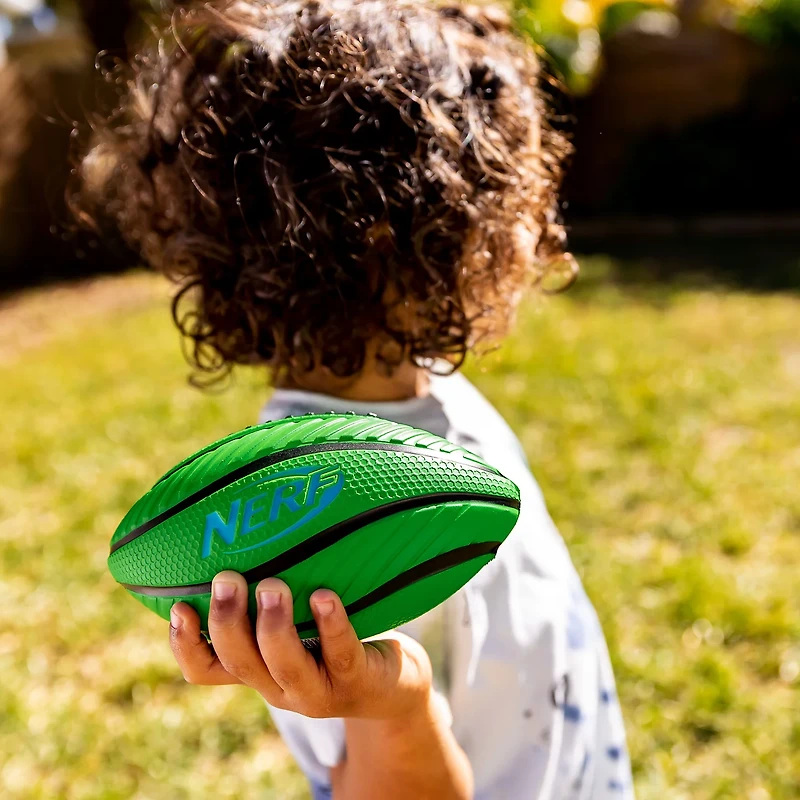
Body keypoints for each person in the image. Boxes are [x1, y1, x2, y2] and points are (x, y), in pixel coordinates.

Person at [75, 1, 633, 797]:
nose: (538, 229)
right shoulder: (300, 524)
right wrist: (394, 710)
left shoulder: (423, 385)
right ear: (410, 230)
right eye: (513, 198)